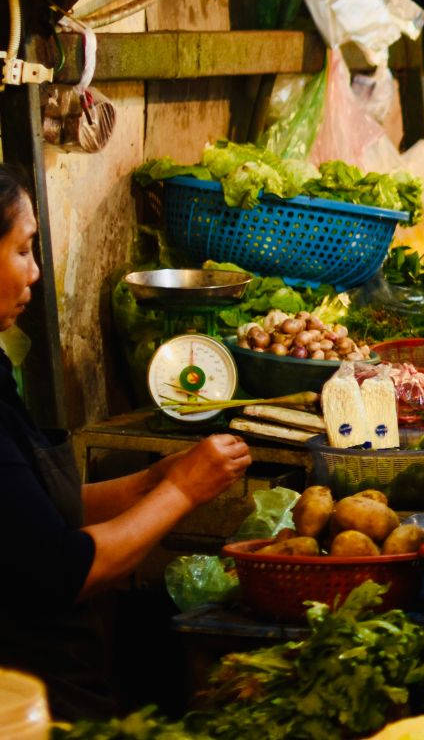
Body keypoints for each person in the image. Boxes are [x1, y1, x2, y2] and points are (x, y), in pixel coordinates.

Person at [0, 166, 252, 718]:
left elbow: (33, 516)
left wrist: (151, 481)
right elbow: (67, 569)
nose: (36, 273)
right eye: (22, 250)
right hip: (29, 702)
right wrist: (181, 493)